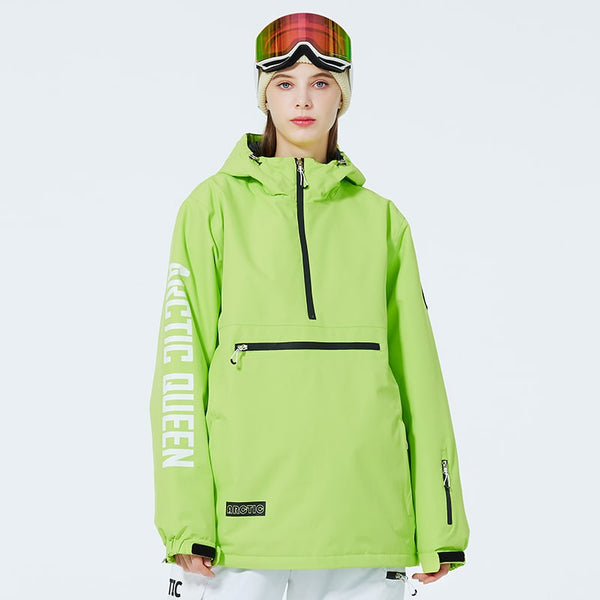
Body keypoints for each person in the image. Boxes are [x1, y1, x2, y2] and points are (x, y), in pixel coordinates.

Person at [150, 12, 469, 600]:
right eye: (285, 83)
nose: (303, 99)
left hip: (367, 524)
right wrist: (186, 521)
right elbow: (180, 368)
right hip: (241, 536)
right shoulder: (211, 208)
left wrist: (440, 525)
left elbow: (420, 378)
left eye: (321, 82)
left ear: (341, 97)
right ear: (264, 96)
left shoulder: (382, 221)